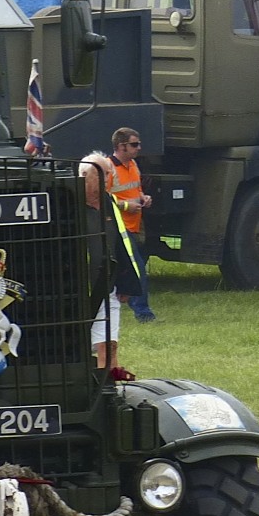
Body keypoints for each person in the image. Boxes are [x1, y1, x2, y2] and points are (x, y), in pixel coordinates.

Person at [80, 150, 142, 379]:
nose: (112, 178)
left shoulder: (109, 202)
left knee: (109, 342)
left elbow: (121, 245)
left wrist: (126, 283)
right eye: (106, 173)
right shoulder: (68, 204)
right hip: (81, 288)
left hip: (108, 284)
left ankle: (109, 381)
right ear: (88, 175)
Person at [107, 127, 155, 323]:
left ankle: (115, 305)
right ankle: (143, 313)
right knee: (138, 270)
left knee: (127, 270)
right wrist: (127, 206)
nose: (139, 148)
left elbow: (136, 189)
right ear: (121, 146)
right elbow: (103, 199)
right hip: (121, 227)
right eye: (134, 145)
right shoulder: (109, 168)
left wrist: (144, 198)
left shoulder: (133, 164)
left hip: (135, 226)